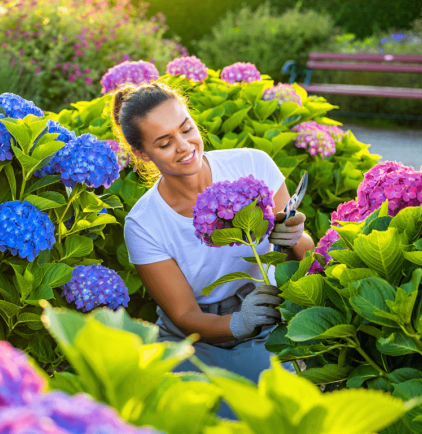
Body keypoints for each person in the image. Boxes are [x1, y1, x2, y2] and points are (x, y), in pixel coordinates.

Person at [114, 82, 315, 389]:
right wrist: (239, 322)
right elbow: (183, 314)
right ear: (141, 154)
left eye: (186, 129)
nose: (184, 146)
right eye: (165, 143)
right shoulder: (144, 224)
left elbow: (305, 256)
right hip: (195, 335)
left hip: (269, 314)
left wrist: (294, 238)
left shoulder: (253, 164)